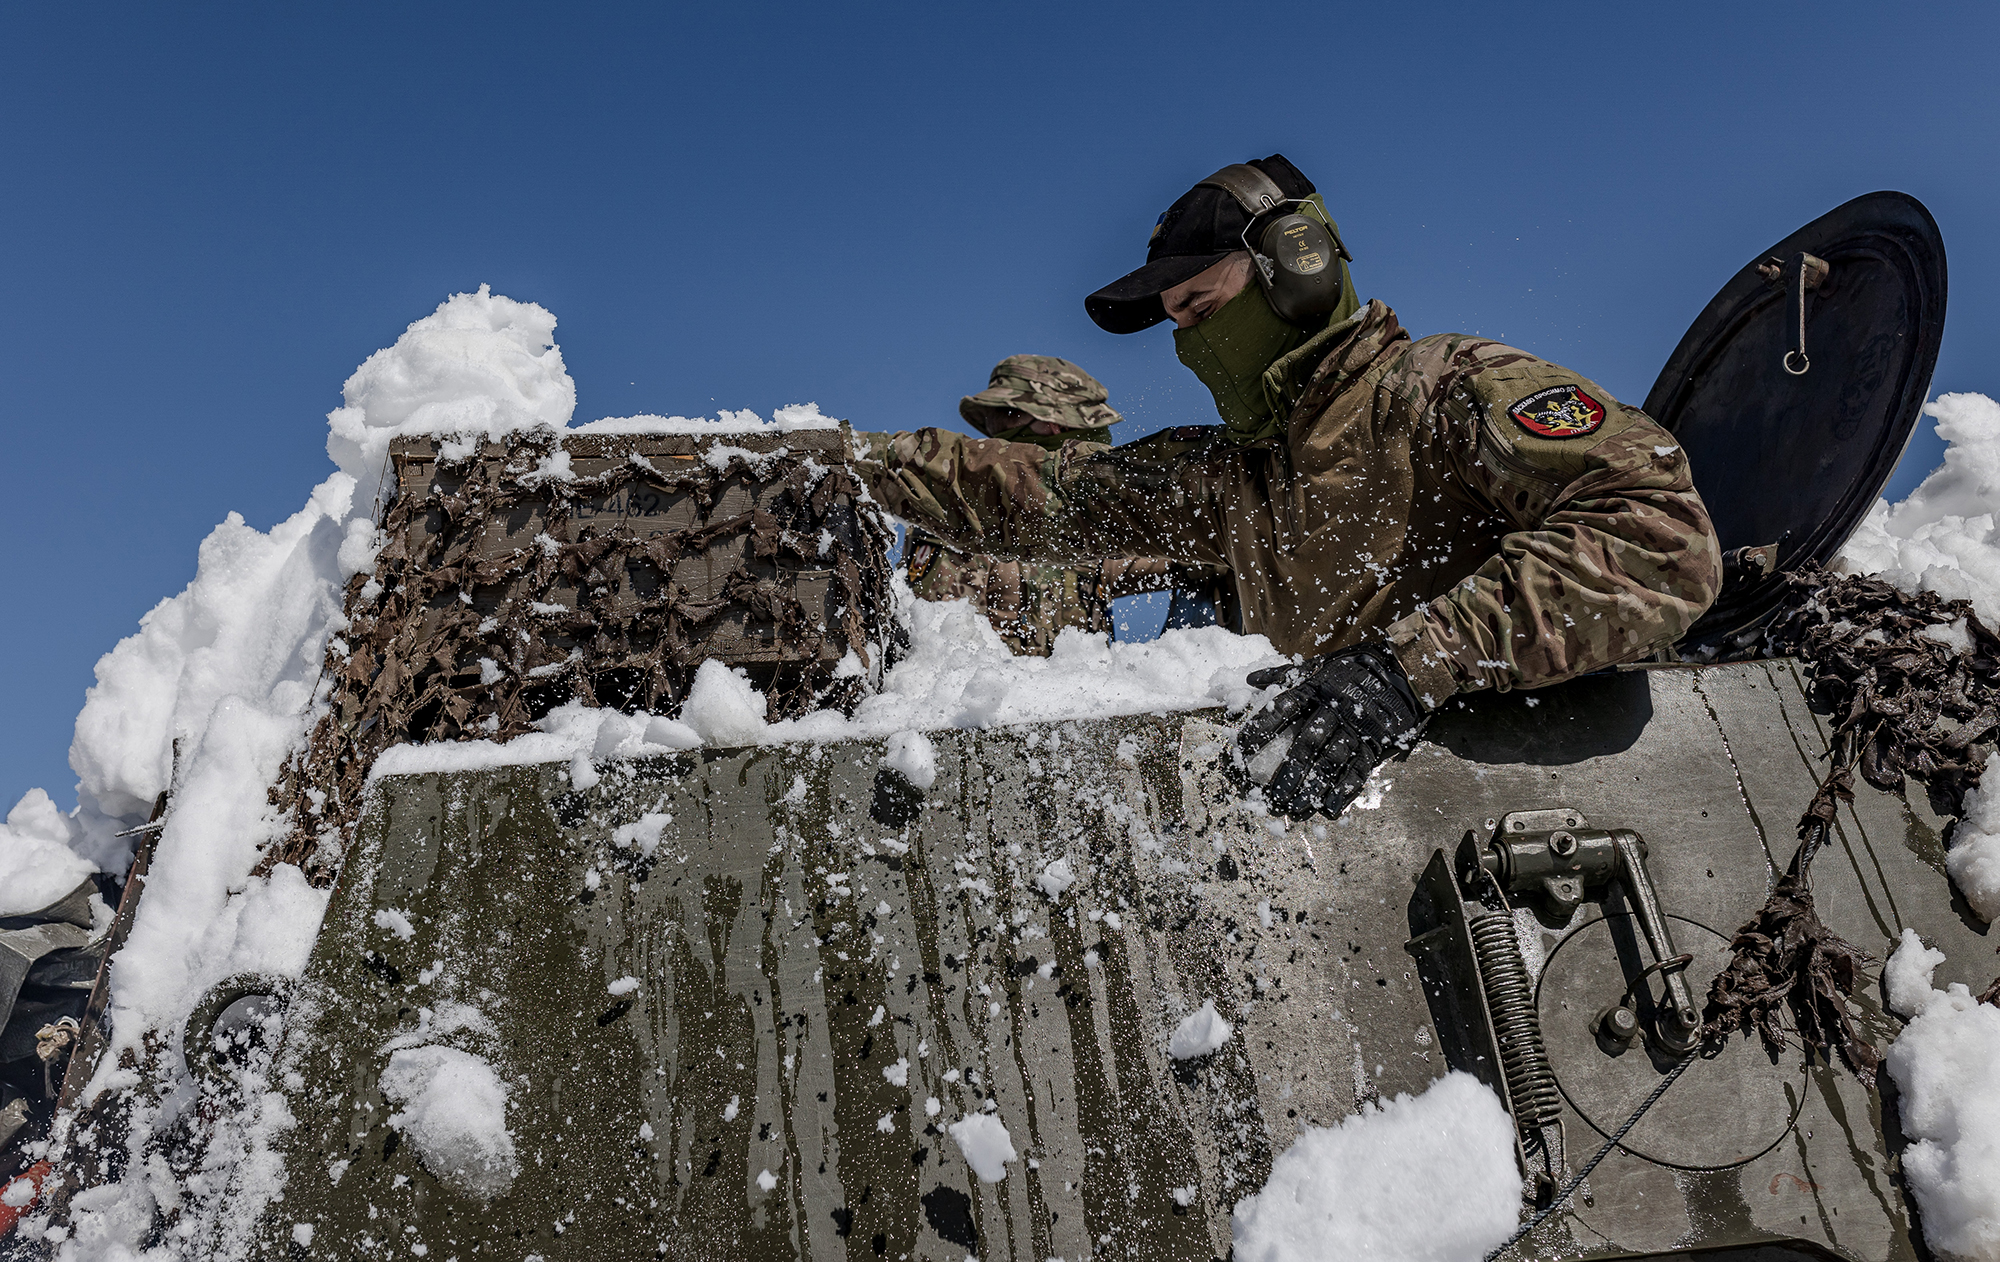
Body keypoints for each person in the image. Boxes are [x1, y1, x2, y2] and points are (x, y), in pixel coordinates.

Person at [859, 154, 1720, 819]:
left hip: (1530, 836)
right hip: (1356, 853)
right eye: (1175, 325)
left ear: (1293, 267)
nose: (1189, 343)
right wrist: (849, 461)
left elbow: (1657, 536)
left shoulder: (1440, 389)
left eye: (1199, 306)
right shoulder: (1235, 473)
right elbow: (1045, 489)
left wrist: (1407, 668)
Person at [903, 355, 1212, 655]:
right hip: (994, 699)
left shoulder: (1083, 514)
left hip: (1088, 698)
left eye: (1009, 415)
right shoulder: (958, 515)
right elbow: (940, 652)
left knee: (1213, 564)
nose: (996, 431)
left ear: (1056, 426)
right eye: (996, 418)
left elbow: (1162, 558)